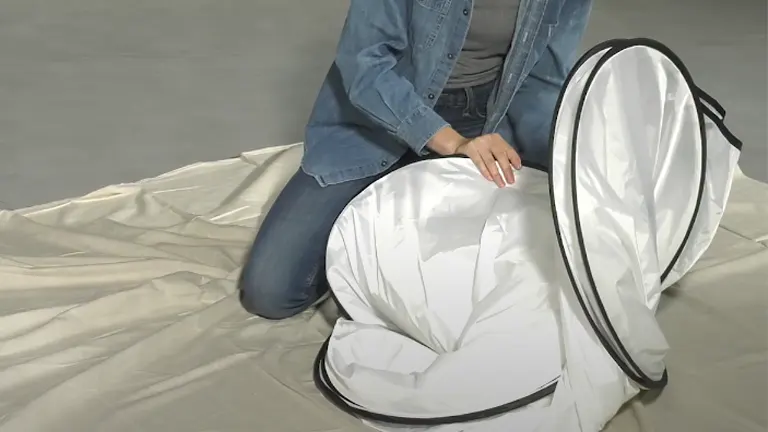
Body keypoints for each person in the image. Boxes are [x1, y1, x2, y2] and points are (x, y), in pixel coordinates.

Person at [239, 0, 593, 320]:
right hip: (378, 119)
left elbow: (542, 81)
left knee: (533, 263)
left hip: (486, 117)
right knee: (270, 292)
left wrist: (557, 154)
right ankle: (360, 251)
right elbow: (365, 66)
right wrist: (453, 143)